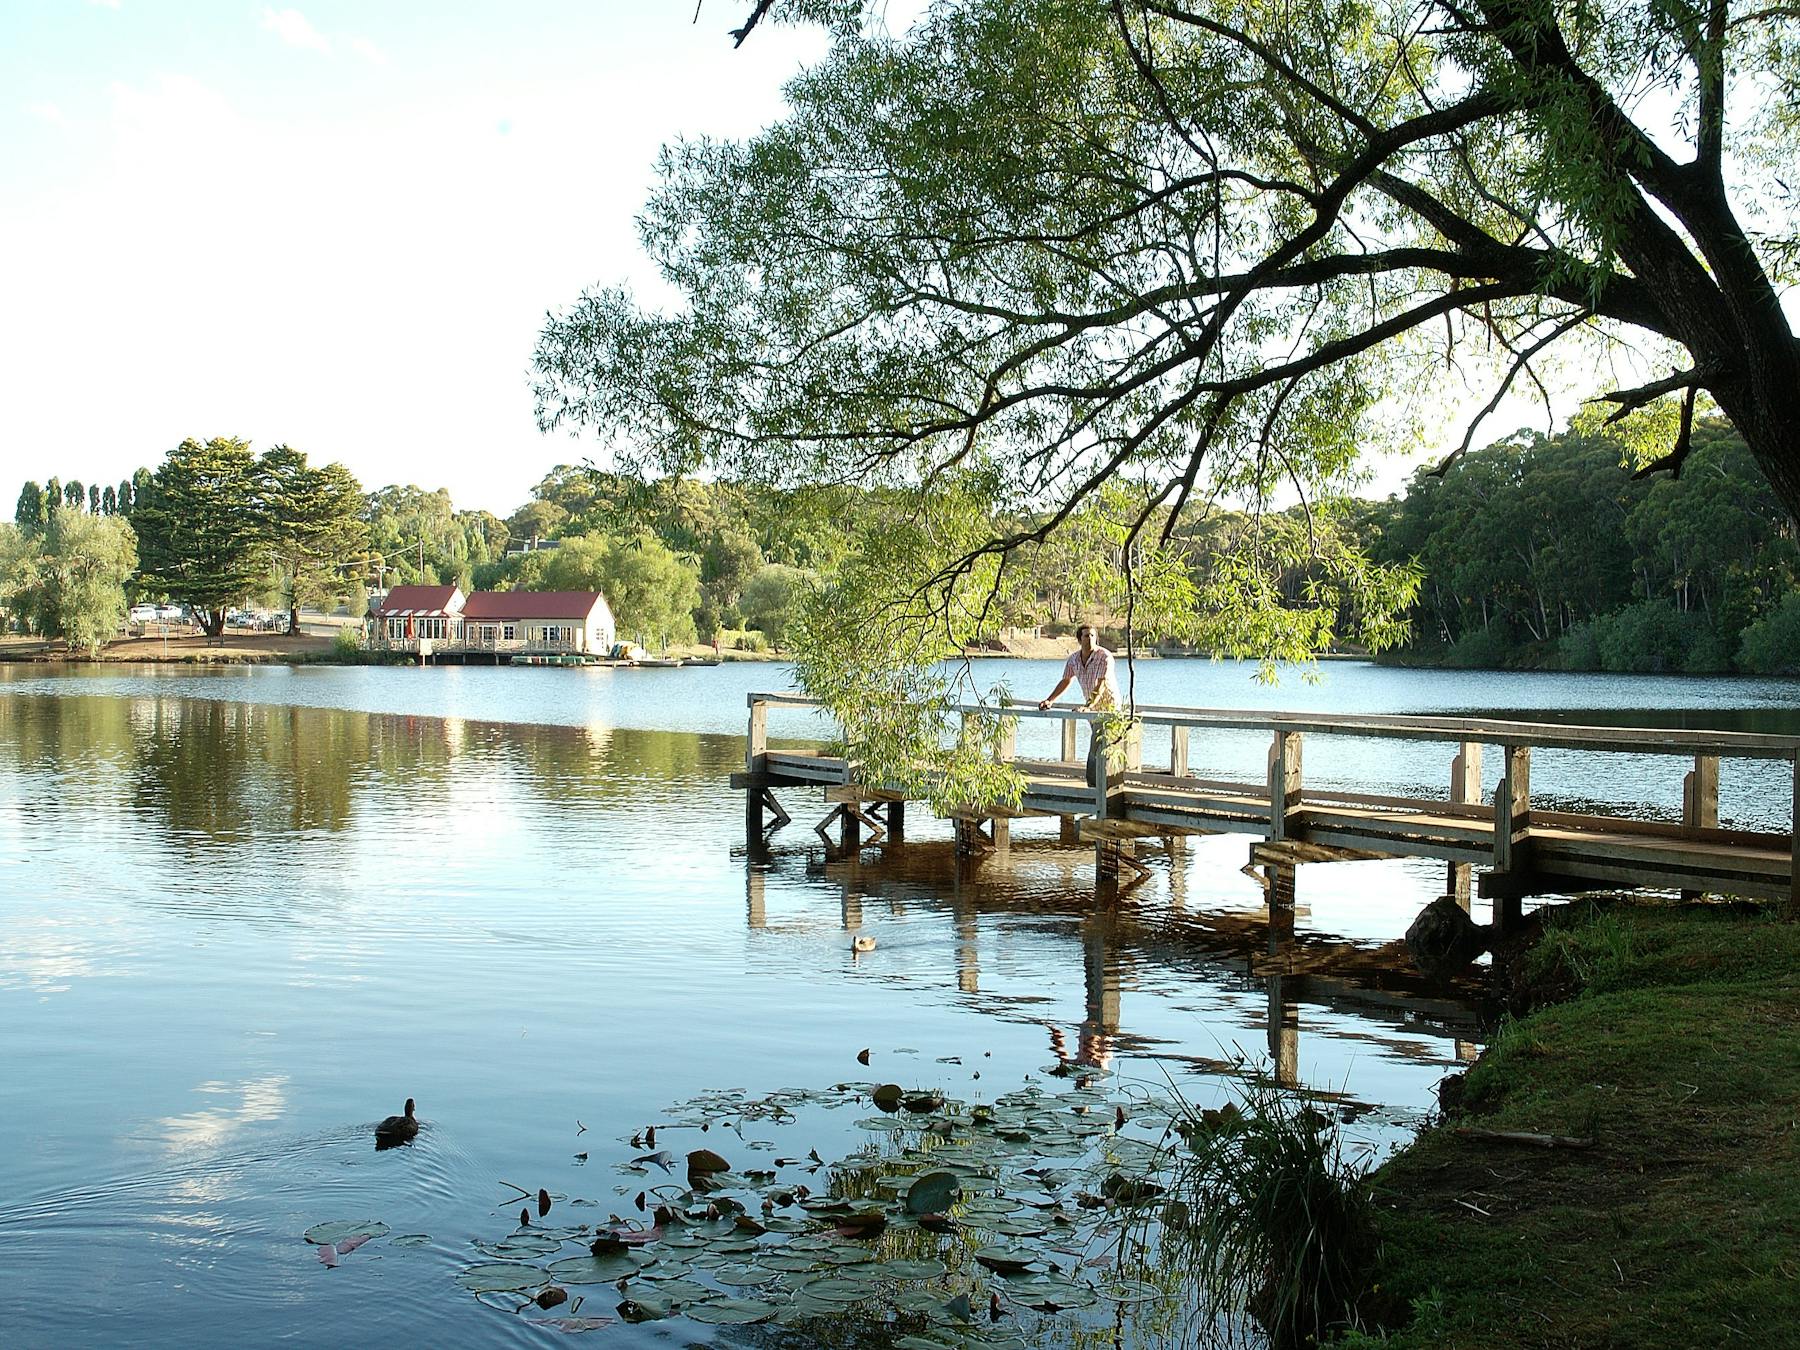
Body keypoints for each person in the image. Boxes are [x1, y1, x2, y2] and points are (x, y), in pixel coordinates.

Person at [1038, 624, 1121, 786]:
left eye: (1092, 635)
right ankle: (1102, 784)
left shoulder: (1104, 657)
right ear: (1079, 639)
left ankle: (1095, 786)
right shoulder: (1074, 659)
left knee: (1098, 747)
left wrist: (1088, 706)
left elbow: (1101, 684)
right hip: (1091, 708)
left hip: (1109, 708)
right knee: (1100, 747)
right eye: (1086, 636)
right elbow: (1066, 680)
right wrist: (1050, 700)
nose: (1089, 639)